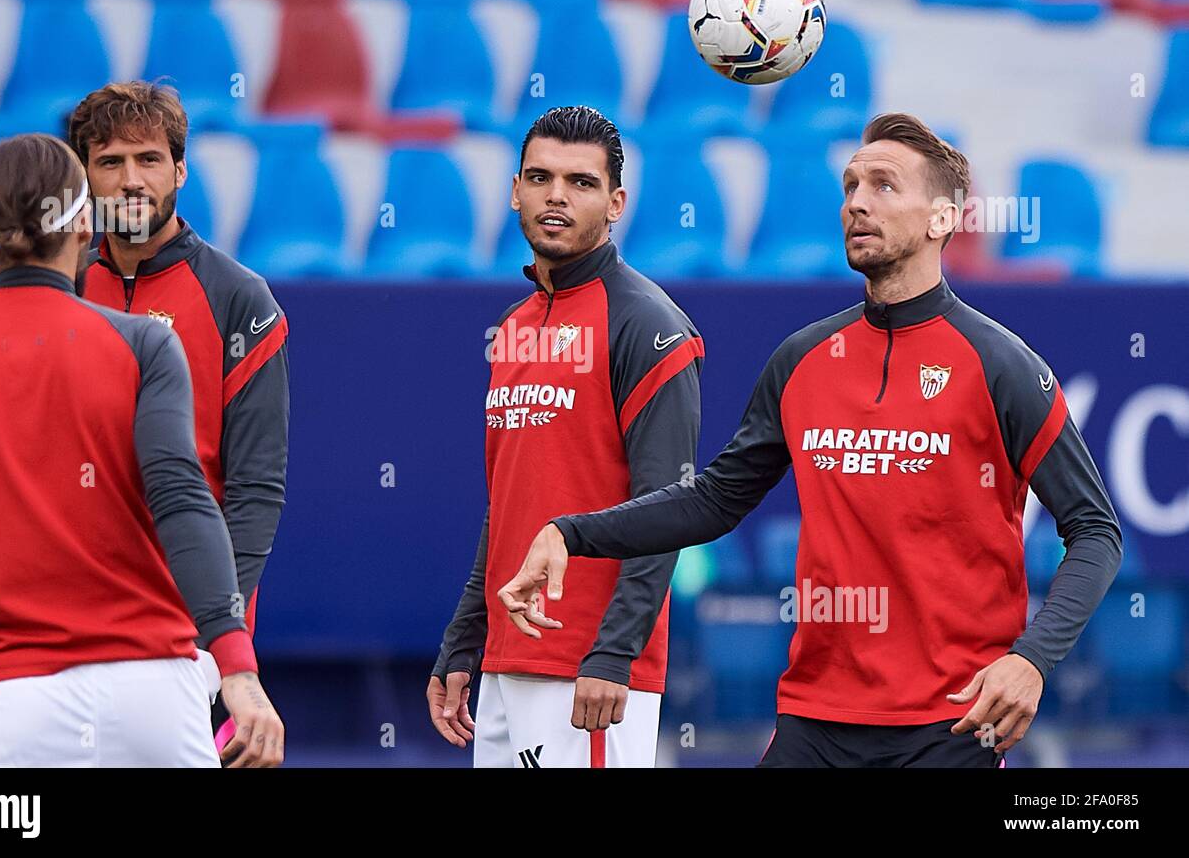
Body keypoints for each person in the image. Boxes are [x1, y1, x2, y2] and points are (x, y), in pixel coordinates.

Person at [500, 112, 1122, 768]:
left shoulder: (1002, 365)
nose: (856, 201)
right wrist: (572, 532)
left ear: (942, 219)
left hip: (954, 723)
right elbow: (713, 500)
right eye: (851, 185)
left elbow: (1096, 528)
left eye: (884, 185)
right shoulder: (802, 358)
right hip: (814, 721)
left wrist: (1032, 659)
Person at [0, 133, 284, 767]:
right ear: (82, 226)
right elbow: (183, 498)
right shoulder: (146, 347)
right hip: (154, 698)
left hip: (4, 704)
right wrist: (235, 666)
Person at [429, 106, 705, 768]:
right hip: (505, 663)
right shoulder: (514, 326)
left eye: (580, 182)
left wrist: (614, 652)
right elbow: (507, 503)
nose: (557, 195)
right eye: (540, 177)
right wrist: (466, 639)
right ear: (515, 191)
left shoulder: (650, 325)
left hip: (590, 671)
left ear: (615, 204)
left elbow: (667, 509)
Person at [68, 82, 290, 752]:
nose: (130, 179)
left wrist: (218, 639)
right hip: (67, 619)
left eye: (148, 159)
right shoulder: (61, 286)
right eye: (109, 163)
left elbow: (255, 489)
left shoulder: (238, 297)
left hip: (185, 631)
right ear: (84, 176)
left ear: (180, 170)